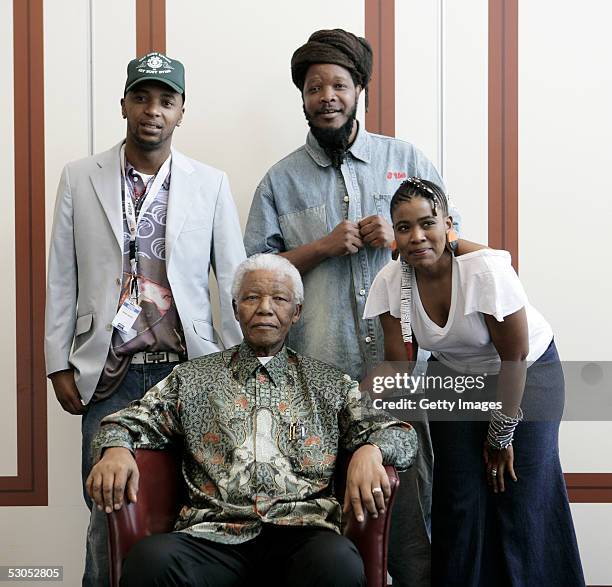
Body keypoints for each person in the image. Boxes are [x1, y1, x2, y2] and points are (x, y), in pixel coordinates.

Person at [244, 28, 459, 587]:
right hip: (314, 382)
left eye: (339, 84)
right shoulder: (279, 180)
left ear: (359, 87)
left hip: (405, 374)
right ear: (303, 97)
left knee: (409, 519)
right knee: (325, 524)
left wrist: (401, 236)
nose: (328, 96)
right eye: (315, 87)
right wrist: (320, 247)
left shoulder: (404, 158)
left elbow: (449, 247)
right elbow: (254, 278)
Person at [87, 253, 416, 587]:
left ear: (296, 312)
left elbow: (401, 436)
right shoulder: (192, 379)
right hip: (213, 538)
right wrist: (115, 447)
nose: (265, 308)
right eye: (252, 297)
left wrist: (371, 449)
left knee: (339, 563)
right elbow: (127, 421)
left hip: (303, 536)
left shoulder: (328, 384)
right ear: (235, 308)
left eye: (279, 299)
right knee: (150, 561)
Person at [44, 51, 245, 586]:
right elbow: (62, 275)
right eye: (141, 97)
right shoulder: (80, 176)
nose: (152, 110)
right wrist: (56, 362)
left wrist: (237, 369)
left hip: (190, 373)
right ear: (124, 105)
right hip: (106, 374)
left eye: (166, 100)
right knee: (108, 513)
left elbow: (232, 280)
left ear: (181, 112)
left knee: (195, 510)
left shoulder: (211, 183)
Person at [363, 177, 585, 586]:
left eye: (427, 223)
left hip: (526, 374)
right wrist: (354, 397)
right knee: (459, 498)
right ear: (394, 234)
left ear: (448, 224)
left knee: (520, 495)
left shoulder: (483, 269)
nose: (416, 236)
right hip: (456, 376)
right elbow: (398, 365)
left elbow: (513, 356)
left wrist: (500, 437)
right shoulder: (392, 281)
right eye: (404, 227)